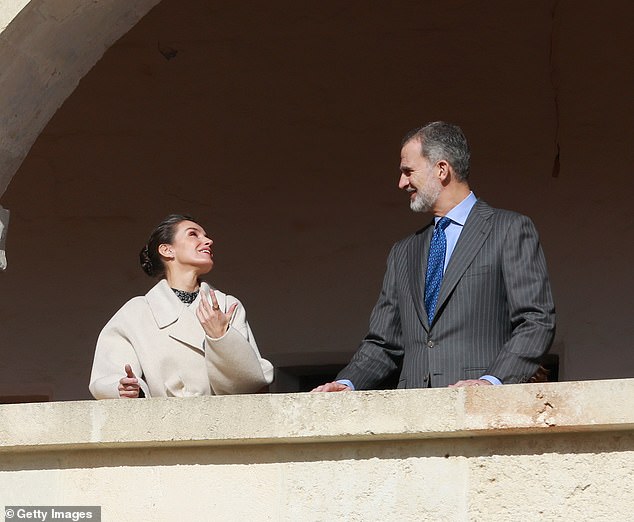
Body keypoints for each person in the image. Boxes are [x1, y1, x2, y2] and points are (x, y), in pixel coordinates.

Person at [313, 121, 555, 392]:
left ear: (442, 170)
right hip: (414, 414)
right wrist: (348, 382)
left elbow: (536, 320)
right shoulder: (403, 252)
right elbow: (384, 342)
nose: (401, 183)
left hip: (479, 408)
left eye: (408, 171)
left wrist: (492, 381)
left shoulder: (508, 230)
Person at [89, 214, 274, 398]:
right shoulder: (137, 312)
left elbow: (251, 384)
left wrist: (221, 337)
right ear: (167, 250)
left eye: (206, 236)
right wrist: (126, 389)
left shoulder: (227, 305)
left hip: (223, 421)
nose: (208, 241)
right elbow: (111, 375)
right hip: (163, 423)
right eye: (193, 234)